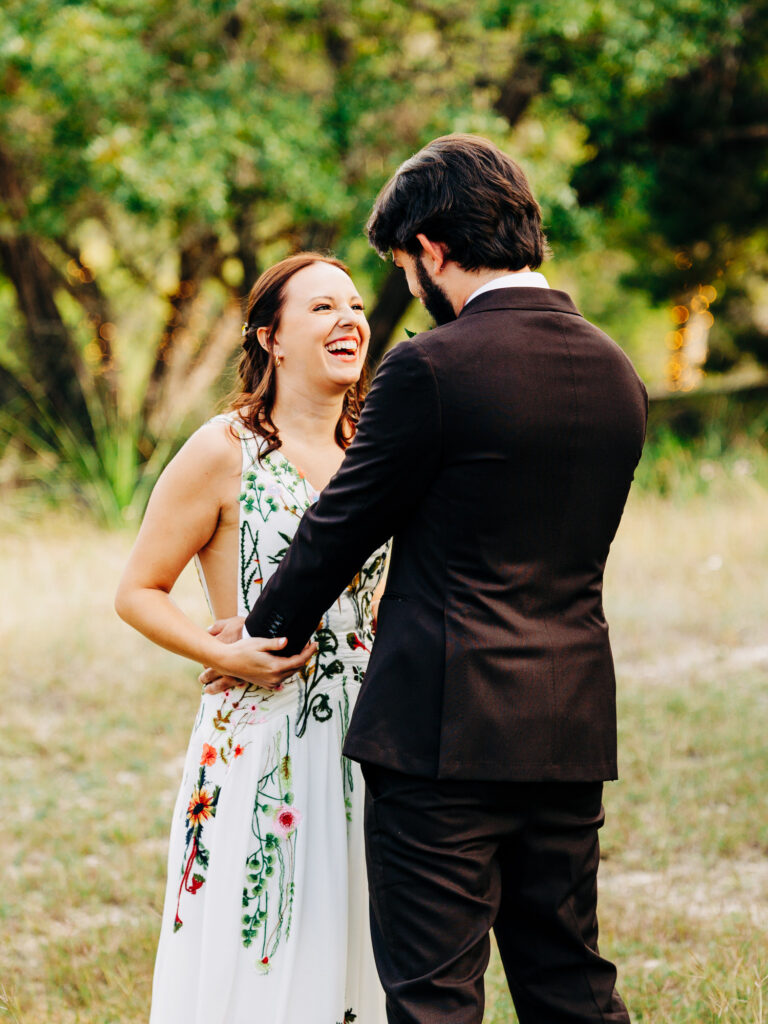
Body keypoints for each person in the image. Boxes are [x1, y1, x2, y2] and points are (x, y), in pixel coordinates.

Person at [206, 135, 648, 1024]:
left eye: (403, 267)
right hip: (568, 728)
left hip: (441, 738)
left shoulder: (431, 367)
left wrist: (264, 635)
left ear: (433, 250)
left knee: (434, 997)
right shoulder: (615, 370)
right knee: (569, 980)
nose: (409, 288)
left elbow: (338, 530)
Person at [115, 253, 388, 1024]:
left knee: (359, 936)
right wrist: (222, 652)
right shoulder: (224, 450)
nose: (350, 321)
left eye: (357, 305)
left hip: (370, 734)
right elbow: (137, 591)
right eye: (323, 308)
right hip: (261, 739)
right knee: (265, 934)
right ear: (271, 337)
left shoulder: (377, 451)